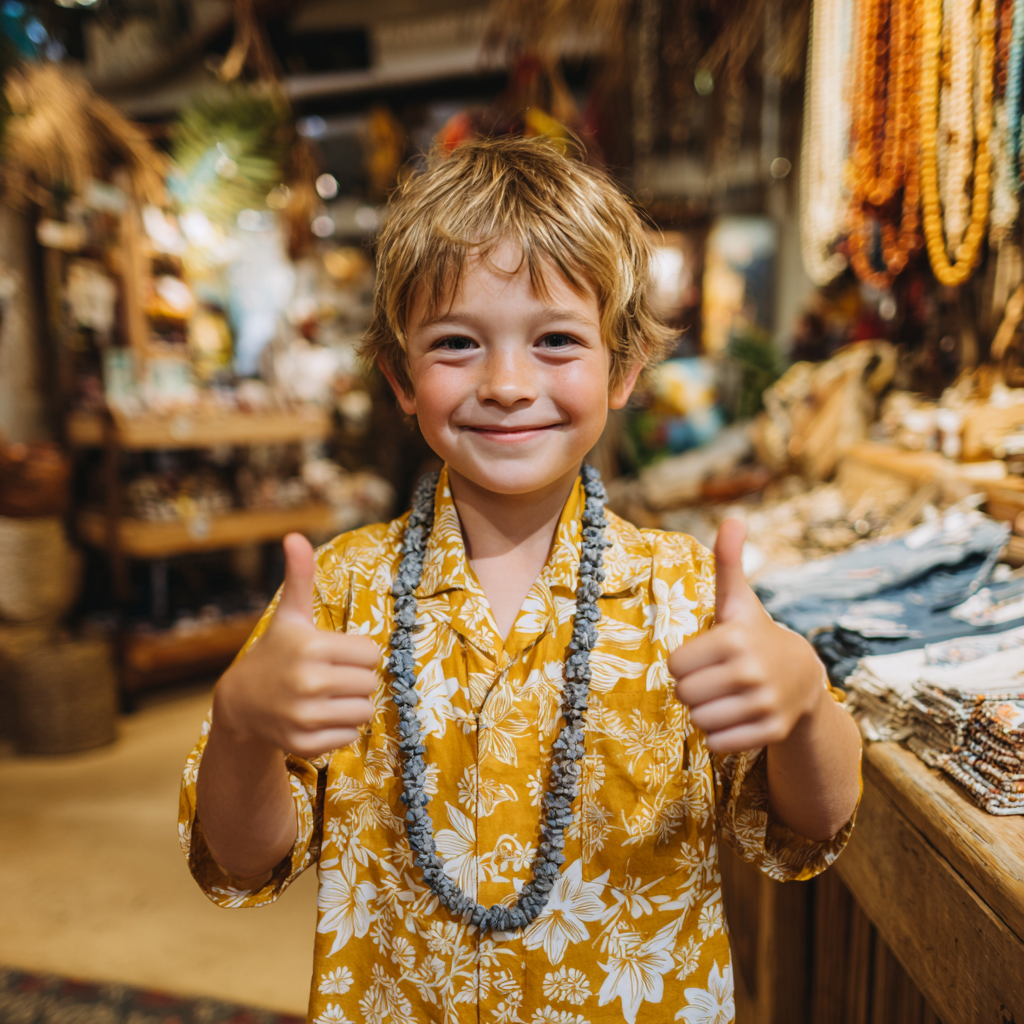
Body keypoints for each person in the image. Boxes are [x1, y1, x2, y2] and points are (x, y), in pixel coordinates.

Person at [179, 137, 862, 1024]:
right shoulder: (344, 593)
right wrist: (241, 724)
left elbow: (810, 827)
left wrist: (806, 701)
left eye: (555, 341)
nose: (507, 383)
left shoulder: (686, 593)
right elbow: (242, 857)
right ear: (400, 377)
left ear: (622, 369)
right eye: (458, 342)